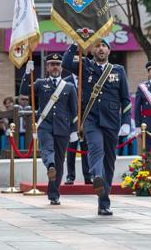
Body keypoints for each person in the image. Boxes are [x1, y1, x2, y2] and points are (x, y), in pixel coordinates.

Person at [62, 39, 132, 216]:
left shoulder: (119, 70)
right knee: (95, 149)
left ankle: (104, 202)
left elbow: (125, 98)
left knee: (109, 161)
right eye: (97, 46)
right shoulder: (84, 65)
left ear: (109, 50)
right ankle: (97, 176)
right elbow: (66, 63)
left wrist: (125, 121)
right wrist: (74, 44)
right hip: (91, 118)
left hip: (111, 121)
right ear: (92, 49)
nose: (101, 49)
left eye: (104, 46)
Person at [20, 53, 77, 205]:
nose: (55, 67)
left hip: (63, 128)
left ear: (61, 67)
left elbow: (74, 111)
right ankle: (49, 165)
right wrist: (27, 73)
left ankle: (54, 194)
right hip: (44, 125)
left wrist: (74, 130)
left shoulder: (69, 87)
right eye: (52, 64)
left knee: (59, 162)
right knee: (47, 149)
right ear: (47, 67)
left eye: (57, 64)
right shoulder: (40, 83)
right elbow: (24, 92)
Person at [64, 63, 92, 185]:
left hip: (86, 120)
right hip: (71, 121)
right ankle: (70, 176)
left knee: (86, 149)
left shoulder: (88, 80)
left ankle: (88, 175)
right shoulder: (65, 81)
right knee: (71, 149)